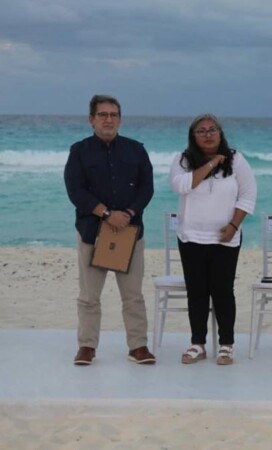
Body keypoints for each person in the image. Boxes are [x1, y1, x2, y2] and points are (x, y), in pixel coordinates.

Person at [64, 94, 155, 365]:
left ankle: (138, 346)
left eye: (113, 115)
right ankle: (87, 347)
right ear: (92, 120)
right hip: (92, 232)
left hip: (129, 233)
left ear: (120, 119)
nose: (108, 119)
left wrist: (126, 214)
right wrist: (105, 213)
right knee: (89, 296)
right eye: (102, 115)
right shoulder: (79, 151)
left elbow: (146, 188)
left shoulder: (136, 150)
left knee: (133, 295)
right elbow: (75, 191)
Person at [169, 114, 257, 365]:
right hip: (191, 237)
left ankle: (226, 345)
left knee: (222, 292)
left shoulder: (237, 159)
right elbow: (181, 185)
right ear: (193, 136)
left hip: (225, 238)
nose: (208, 134)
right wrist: (211, 164)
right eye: (201, 131)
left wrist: (233, 225)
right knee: (196, 292)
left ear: (220, 133)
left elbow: (249, 195)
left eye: (212, 130)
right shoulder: (182, 160)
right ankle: (198, 344)